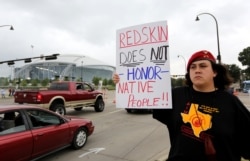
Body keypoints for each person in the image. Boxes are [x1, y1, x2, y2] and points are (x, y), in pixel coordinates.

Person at [113, 50, 250, 161]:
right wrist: (124, 81)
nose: (197, 70)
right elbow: (143, 94)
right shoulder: (174, 96)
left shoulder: (231, 102)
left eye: (203, 66)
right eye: (193, 67)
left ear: (215, 72)